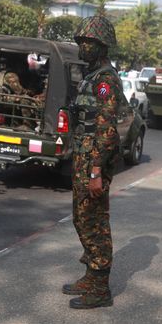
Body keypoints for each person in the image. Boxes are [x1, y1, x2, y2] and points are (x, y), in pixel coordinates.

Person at [63, 16, 122, 309]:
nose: (82, 46)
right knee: (80, 216)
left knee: (94, 220)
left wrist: (96, 170)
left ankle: (100, 288)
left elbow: (107, 130)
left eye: (88, 42)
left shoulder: (106, 81)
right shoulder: (92, 76)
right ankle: (90, 275)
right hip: (83, 155)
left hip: (94, 160)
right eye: (81, 41)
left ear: (101, 46)